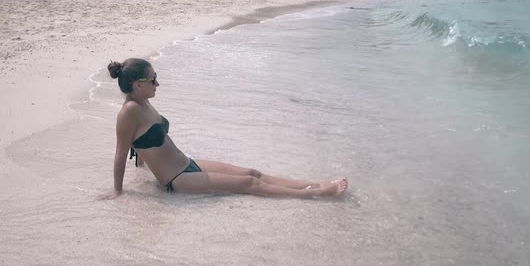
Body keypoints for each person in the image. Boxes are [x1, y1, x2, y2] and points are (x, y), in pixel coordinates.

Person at [100, 58, 348, 199]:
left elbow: (140, 145)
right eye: (153, 79)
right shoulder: (128, 111)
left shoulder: (143, 102)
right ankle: (316, 194)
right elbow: (122, 151)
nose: (158, 83)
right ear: (137, 84)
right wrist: (117, 190)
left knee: (253, 172)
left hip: (187, 163)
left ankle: (314, 183)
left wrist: (142, 170)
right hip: (179, 179)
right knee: (249, 184)